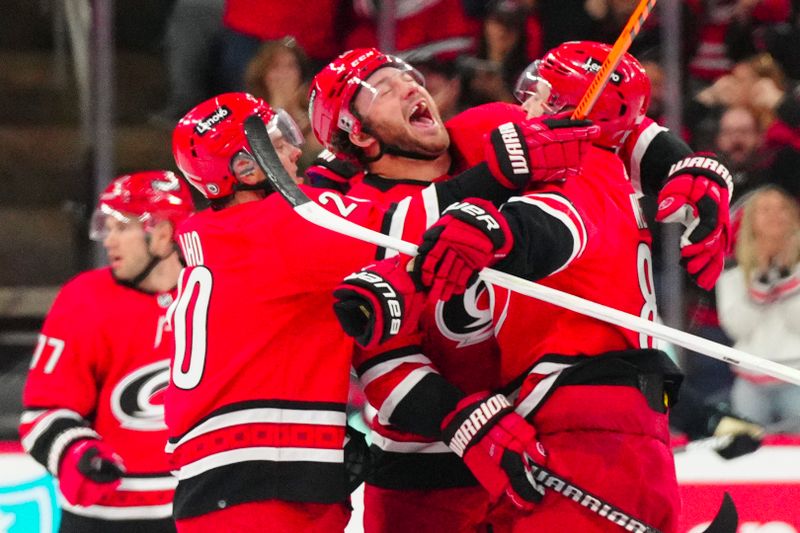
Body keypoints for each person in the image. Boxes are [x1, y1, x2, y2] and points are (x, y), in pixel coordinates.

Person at [331, 42, 736, 532]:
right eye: (382, 88)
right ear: (357, 134)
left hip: (539, 428)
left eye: (406, 74)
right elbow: (380, 360)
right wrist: (460, 420)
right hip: (427, 470)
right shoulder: (355, 220)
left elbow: (610, 120)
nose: (411, 85)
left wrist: (690, 167)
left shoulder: (490, 127)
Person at [165, 90, 592, 532]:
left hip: (226, 484)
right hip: (265, 486)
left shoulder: (219, 239)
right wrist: (504, 170)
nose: (294, 151)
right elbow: (402, 226)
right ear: (245, 168)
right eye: (277, 141)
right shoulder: (276, 223)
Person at [18, 171, 195, 532]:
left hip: (197, 511)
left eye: (122, 228)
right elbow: (42, 411)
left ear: (162, 234)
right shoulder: (85, 300)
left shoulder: (213, 296)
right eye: (107, 227)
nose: (108, 241)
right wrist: (75, 453)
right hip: (103, 518)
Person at [716, 185, 800, 429]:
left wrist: (786, 278)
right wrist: (761, 283)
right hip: (750, 383)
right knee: (747, 458)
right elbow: (737, 328)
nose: (775, 215)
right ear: (751, 220)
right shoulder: (733, 274)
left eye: (781, 208)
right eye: (765, 209)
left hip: (796, 378)